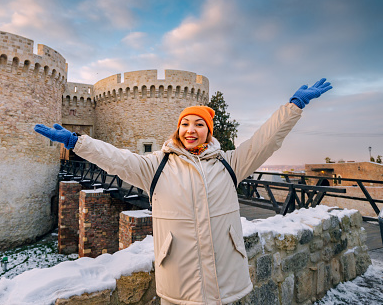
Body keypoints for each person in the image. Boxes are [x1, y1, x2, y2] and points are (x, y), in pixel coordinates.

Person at [34, 78, 332, 304]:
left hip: (228, 282)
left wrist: (293, 107)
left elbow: (265, 141)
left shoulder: (230, 165)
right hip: (179, 283)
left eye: (199, 124)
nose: (191, 129)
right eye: (185, 123)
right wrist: (77, 142)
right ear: (178, 130)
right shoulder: (156, 167)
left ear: (208, 131)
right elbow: (116, 159)